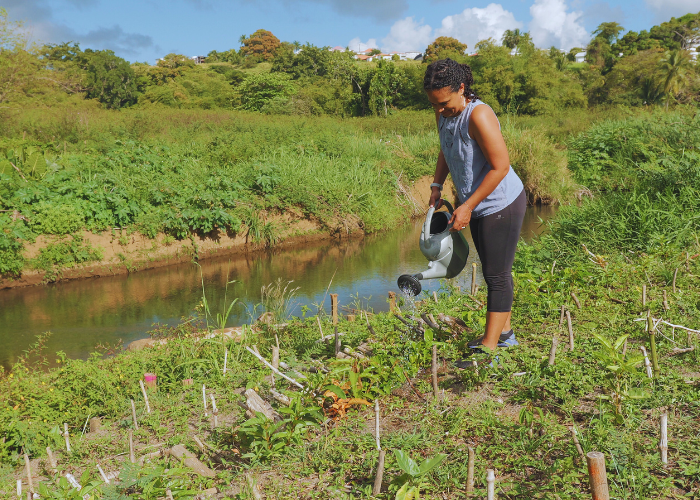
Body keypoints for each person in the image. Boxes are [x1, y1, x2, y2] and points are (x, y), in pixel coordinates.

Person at [424, 58, 526, 361]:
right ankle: (504, 333)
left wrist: (467, 205)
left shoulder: (477, 115)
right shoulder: (442, 108)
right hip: (476, 201)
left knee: (497, 275)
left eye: (444, 103)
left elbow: (500, 166)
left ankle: (490, 347)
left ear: (462, 89)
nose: (440, 110)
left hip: (500, 201)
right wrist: (436, 185)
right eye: (434, 104)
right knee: (490, 268)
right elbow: (445, 146)